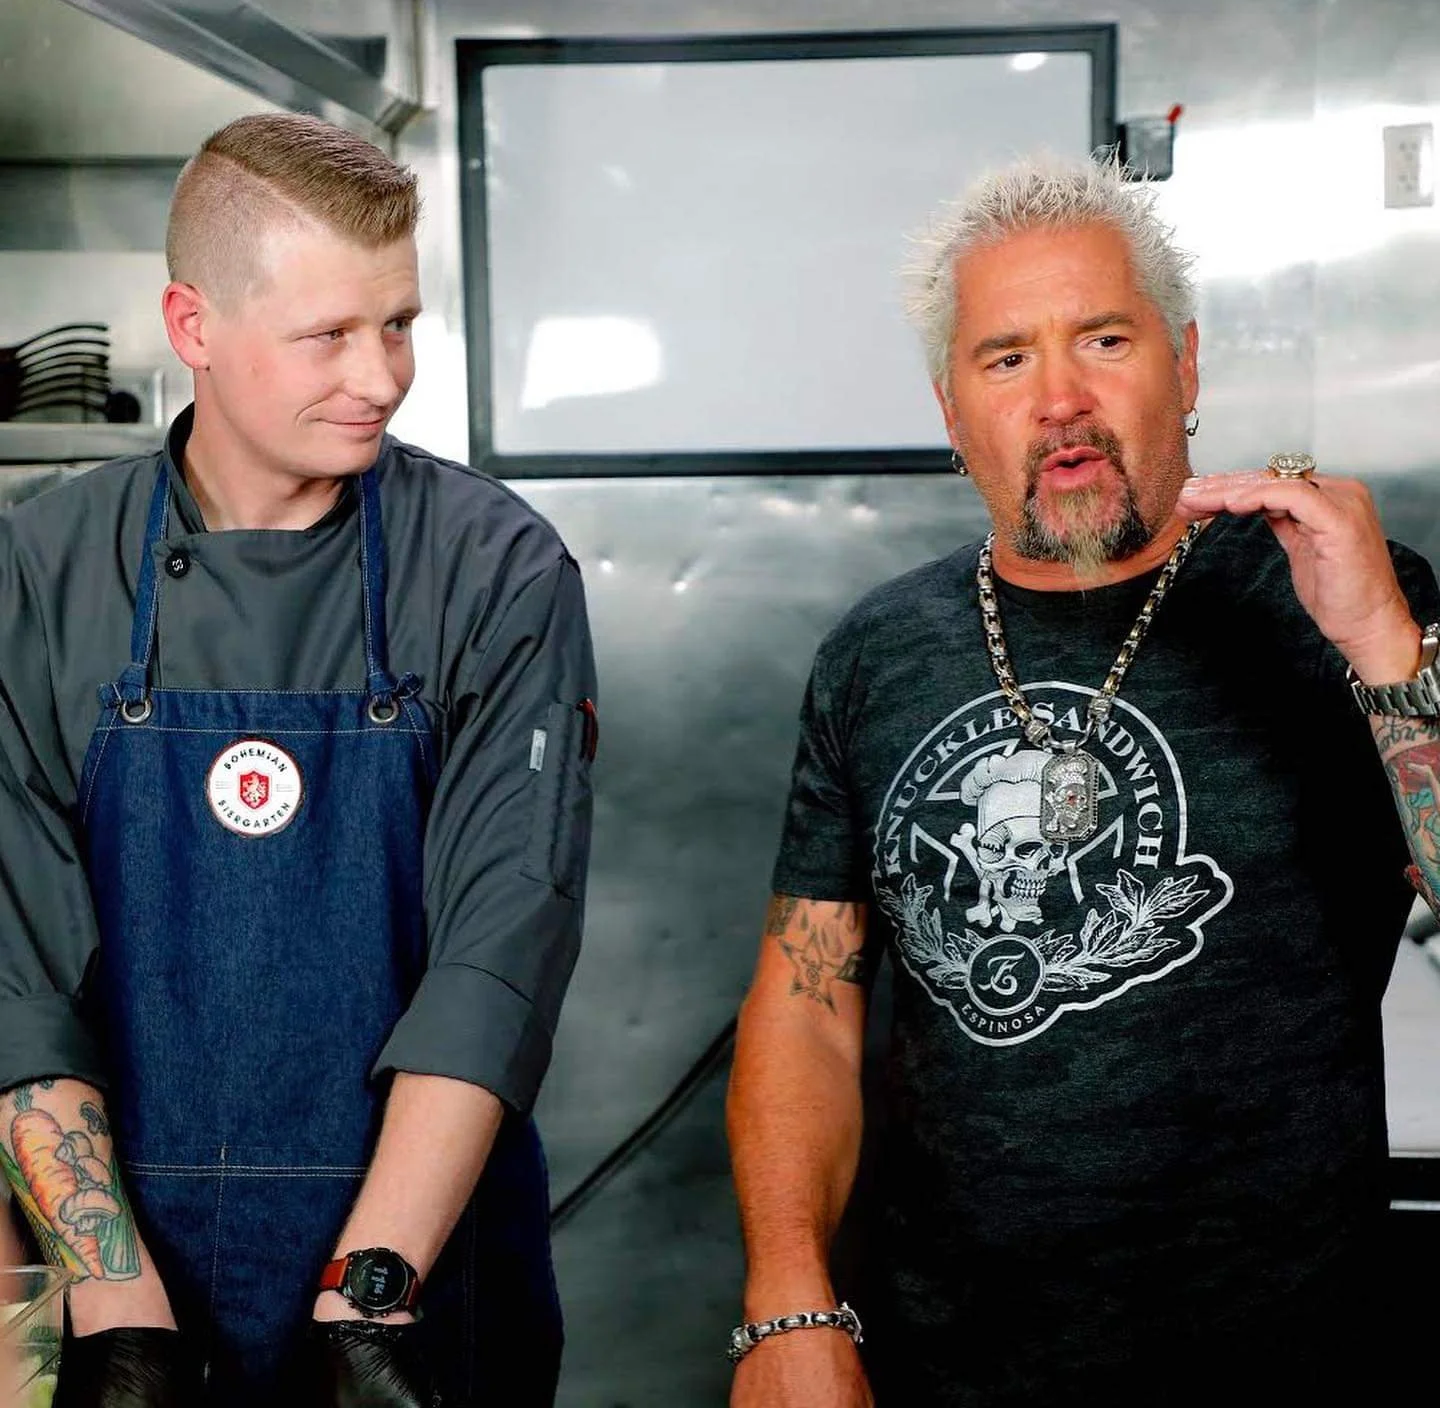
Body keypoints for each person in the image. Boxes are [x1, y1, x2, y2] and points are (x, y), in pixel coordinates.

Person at [725, 156, 1440, 1407]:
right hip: (952, 1358)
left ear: (1188, 366)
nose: (1059, 399)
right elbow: (807, 1003)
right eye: (1006, 360)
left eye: (1103, 339)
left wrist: (1385, 647)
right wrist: (787, 1299)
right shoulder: (876, 653)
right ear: (952, 412)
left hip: (1295, 1355)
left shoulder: (1341, 601)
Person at [0, 112, 596, 1406]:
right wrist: (120, 1318)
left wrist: (366, 1304)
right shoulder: (37, 577)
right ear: (194, 327)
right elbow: (17, 976)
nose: (380, 376)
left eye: (399, 324)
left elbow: (503, 950)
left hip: (415, 1272)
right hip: (119, 1261)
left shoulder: (496, 569)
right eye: (328, 333)